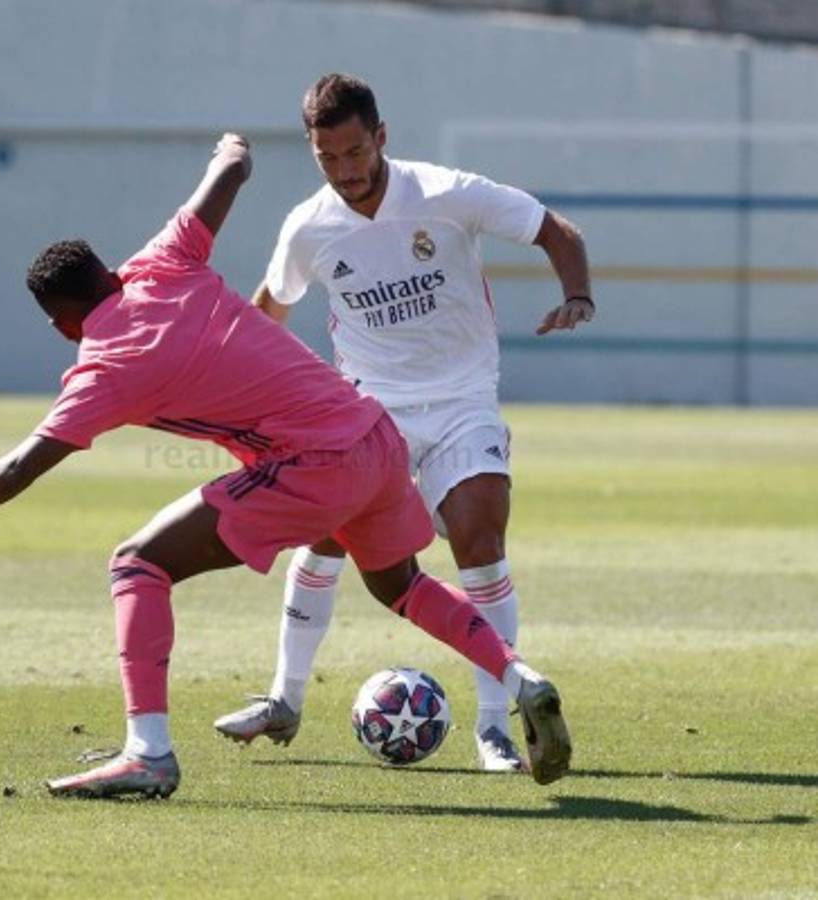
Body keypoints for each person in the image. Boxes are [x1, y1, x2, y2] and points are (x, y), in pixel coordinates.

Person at [0, 133, 571, 799]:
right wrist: (233, 151)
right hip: (374, 435)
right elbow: (226, 176)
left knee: (138, 564)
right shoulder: (163, 261)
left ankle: (149, 752)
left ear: (61, 324)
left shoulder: (105, 365)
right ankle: (519, 675)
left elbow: (18, 469)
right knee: (403, 585)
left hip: (316, 462)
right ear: (108, 269)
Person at [214, 74, 593, 773]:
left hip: (461, 401)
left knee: (480, 539)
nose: (346, 170)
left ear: (381, 137)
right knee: (324, 538)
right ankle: (285, 699)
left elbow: (552, 229)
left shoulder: (446, 194)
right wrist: (242, 393)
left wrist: (577, 296)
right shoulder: (310, 227)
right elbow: (269, 308)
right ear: (313, 151)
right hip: (366, 409)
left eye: (355, 151)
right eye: (328, 157)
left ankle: (495, 729)